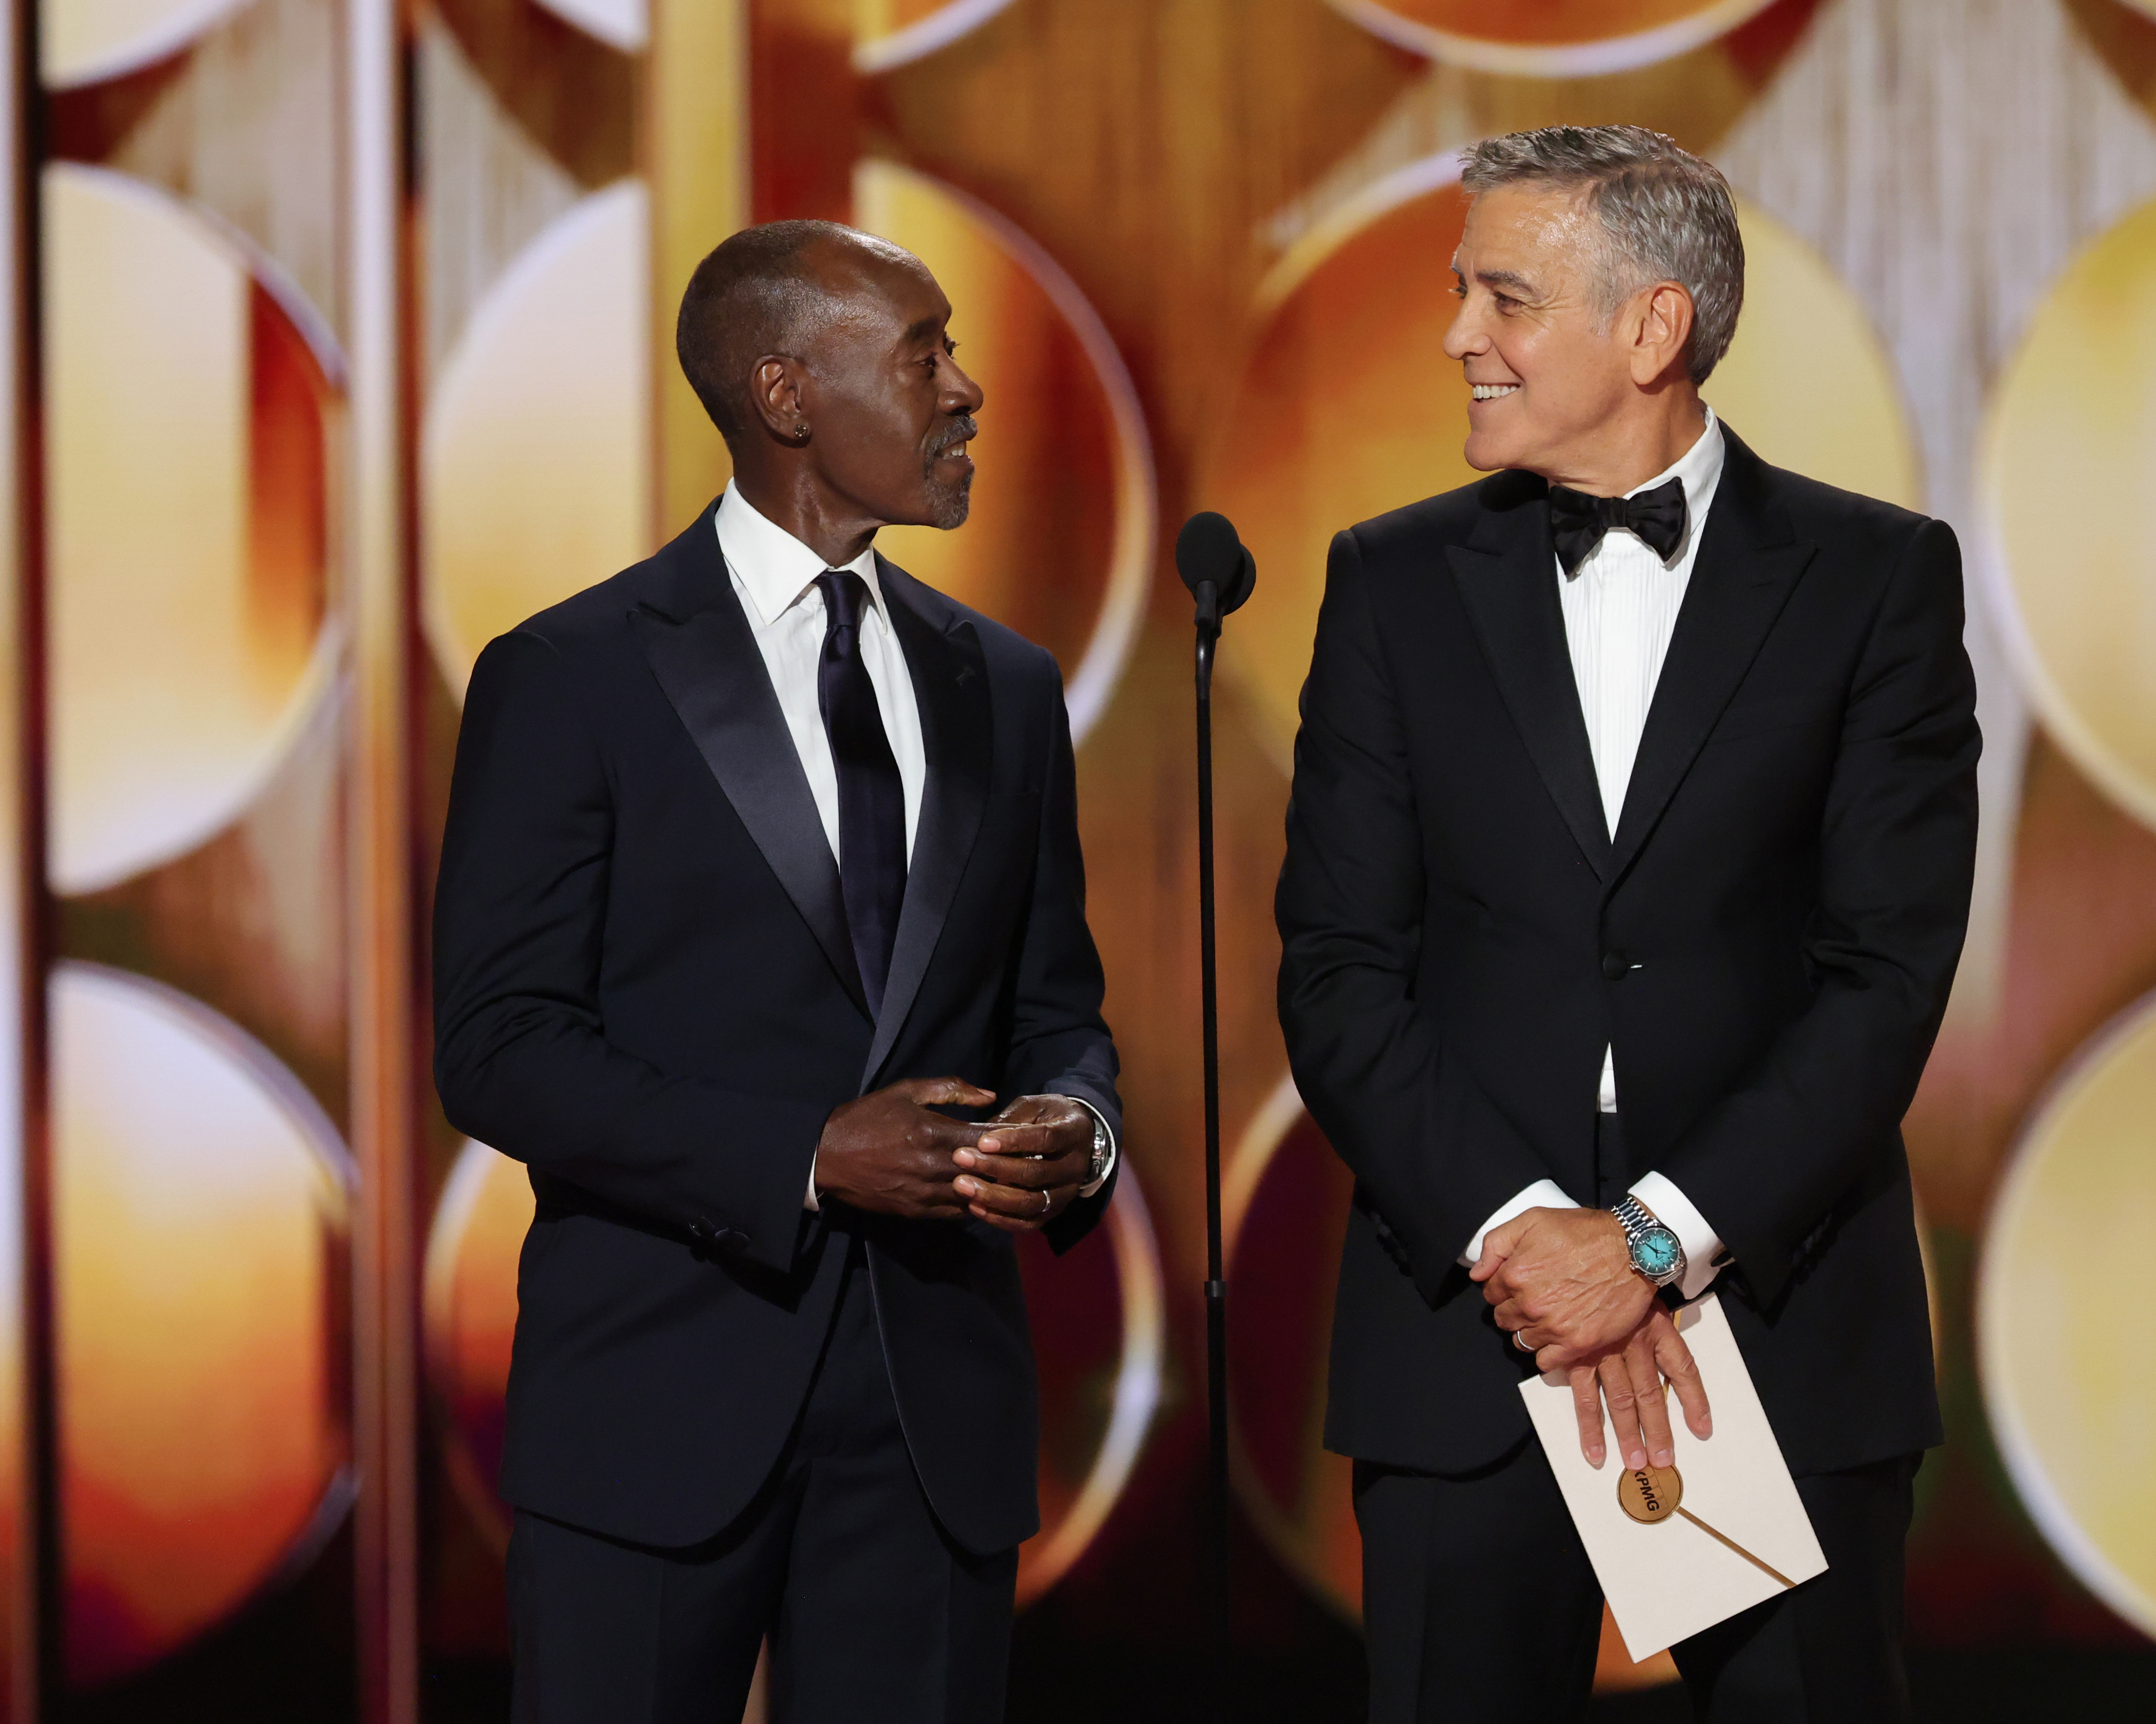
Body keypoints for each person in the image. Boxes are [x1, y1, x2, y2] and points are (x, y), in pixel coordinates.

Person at [1275, 125, 1978, 1722]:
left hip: (1779, 1331)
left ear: (1653, 326)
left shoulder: (1876, 582)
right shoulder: (1389, 585)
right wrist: (1532, 1240)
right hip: (1471, 1329)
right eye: (1464, 293)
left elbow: (1885, 977)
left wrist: (1654, 1240)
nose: (1460, 335)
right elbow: (1336, 970)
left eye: (1505, 298)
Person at [433, 219, 1122, 1723]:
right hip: (653, 1410)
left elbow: (1058, 1009)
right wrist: (805, 1158)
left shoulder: (1006, 685)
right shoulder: (572, 676)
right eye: (925, 352)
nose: (969, 393)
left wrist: (1081, 1130)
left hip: (934, 1424)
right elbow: (499, 1045)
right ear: (787, 394)